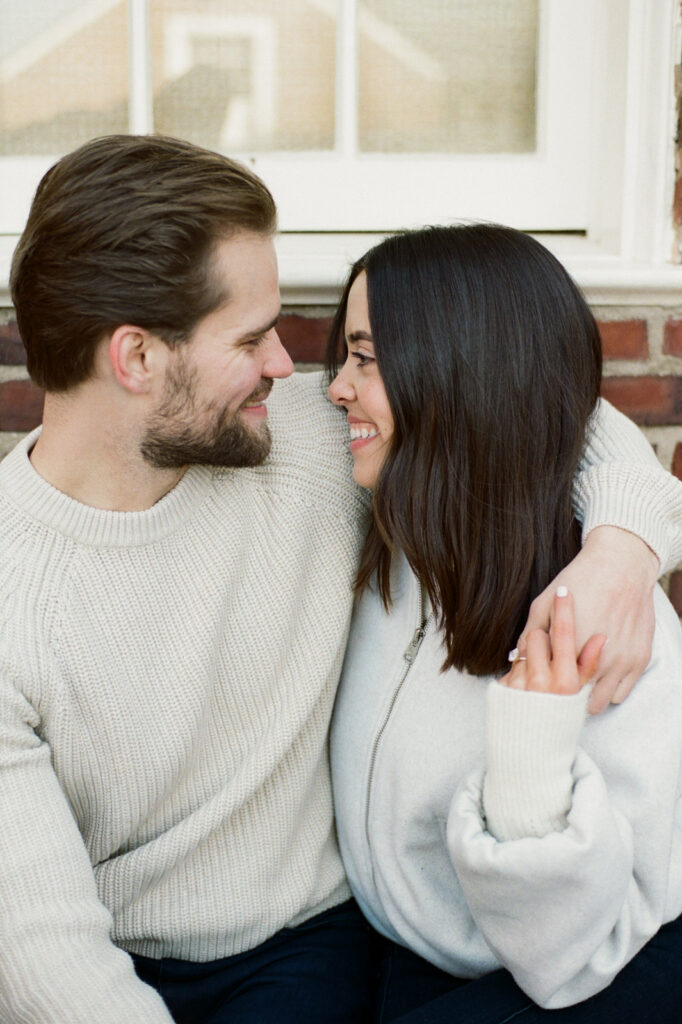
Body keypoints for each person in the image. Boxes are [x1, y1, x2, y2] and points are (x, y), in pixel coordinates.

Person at [0, 137, 679, 1024]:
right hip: (105, 957)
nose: (292, 368)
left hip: (306, 948)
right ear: (136, 359)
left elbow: (521, 400)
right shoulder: (17, 588)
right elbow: (43, 956)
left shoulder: (302, 442)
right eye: (250, 338)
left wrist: (622, 548)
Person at [328, 224, 682, 1023]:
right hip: (404, 951)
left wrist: (529, 761)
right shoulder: (399, 536)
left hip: (578, 981)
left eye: (366, 358)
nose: (336, 388)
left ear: (456, 375)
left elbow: (573, 959)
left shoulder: (602, 625)